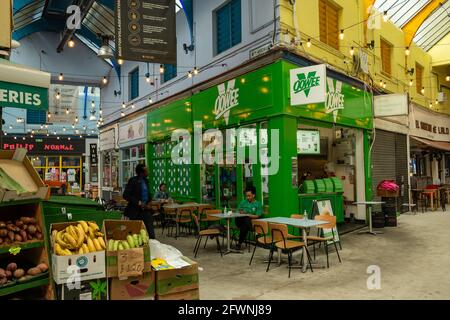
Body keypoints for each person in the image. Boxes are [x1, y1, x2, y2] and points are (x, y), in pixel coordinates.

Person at [123, 164, 155, 239]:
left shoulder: (146, 181)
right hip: (135, 212)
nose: (148, 172)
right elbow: (125, 195)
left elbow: (147, 193)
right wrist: (138, 202)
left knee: (151, 234)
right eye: (147, 170)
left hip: (146, 211)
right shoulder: (133, 180)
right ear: (142, 172)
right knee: (135, 234)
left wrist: (150, 201)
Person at [235, 186, 263, 251]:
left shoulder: (258, 204)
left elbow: (257, 216)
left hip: (249, 222)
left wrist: (247, 214)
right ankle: (255, 233)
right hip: (239, 221)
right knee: (245, 220)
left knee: (245, 224)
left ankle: (239, 244)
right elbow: (238, 211)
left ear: (253, 195)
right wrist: (241, 212)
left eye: (249, 196)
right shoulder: (243, 202)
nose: (247, 197)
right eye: (246, 196)